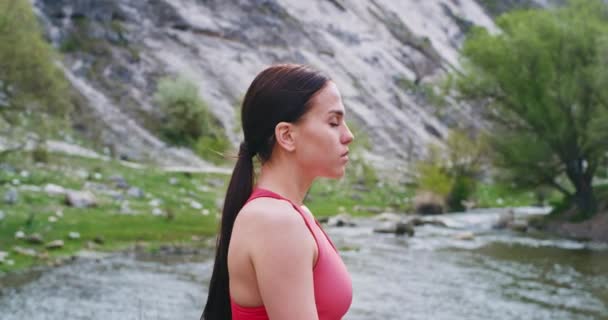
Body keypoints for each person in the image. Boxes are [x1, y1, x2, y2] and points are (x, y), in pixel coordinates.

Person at [201, 64, 354, 320]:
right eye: (333, 122)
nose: (348, 135)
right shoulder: (275, 222)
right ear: (287, 136)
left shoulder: (295, 213)